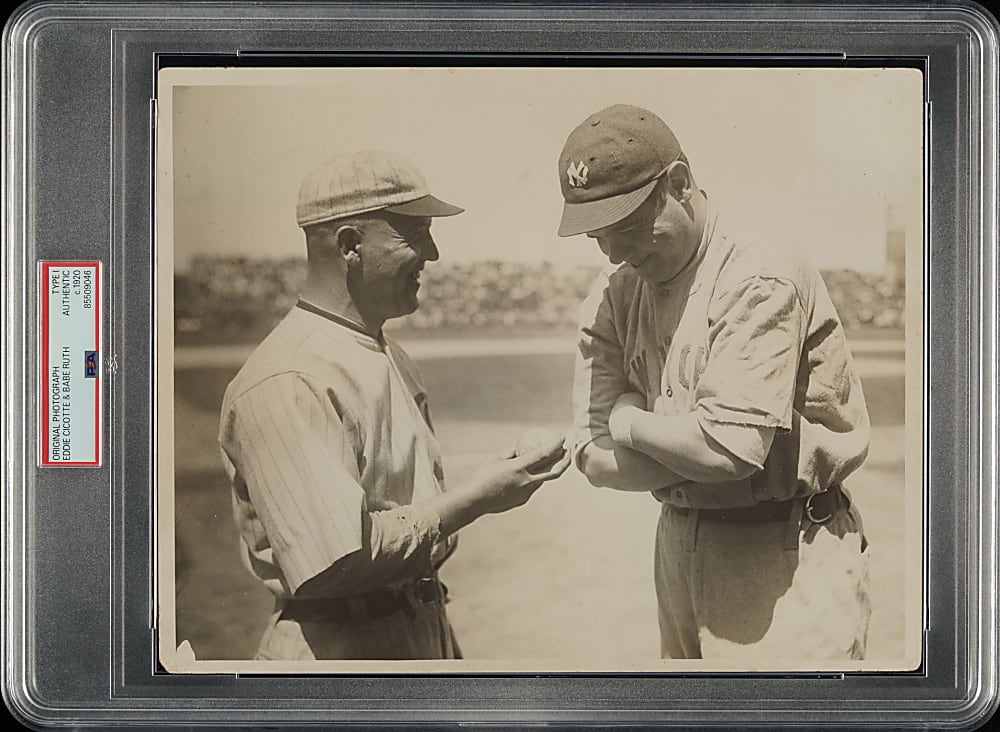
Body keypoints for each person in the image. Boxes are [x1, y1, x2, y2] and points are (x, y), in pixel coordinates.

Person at [218, 149, 569, 661]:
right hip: (335, 655)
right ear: (349, 244)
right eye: (414, 232)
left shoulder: (388, 353)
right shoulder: (289, 377)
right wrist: (476, 499)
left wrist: (489, 478)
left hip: (421, 629)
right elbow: (333, 562)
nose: (433, 253)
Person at [557, 105, 872, 662]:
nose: (614, 253)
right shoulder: (614, 289)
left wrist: (629, 421)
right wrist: (684, 444)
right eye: (598, 237)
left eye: (628, 228)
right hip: (677, 542)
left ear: (678, 183)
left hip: (782, 550)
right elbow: (590, 457)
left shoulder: (756, 270)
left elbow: (729, 453)